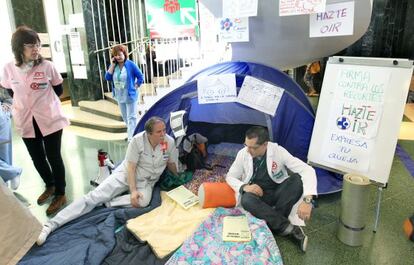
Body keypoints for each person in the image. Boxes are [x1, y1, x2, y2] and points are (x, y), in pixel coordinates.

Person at [36, 116, 178, 245]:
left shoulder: (169, 142)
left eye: (164, 130)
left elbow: (171, 164)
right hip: (126, 174)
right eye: (159, 132)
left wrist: (180, 174)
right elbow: (131, 167)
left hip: (147, 181)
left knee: (144, 202)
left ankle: (108, 202)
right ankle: (50, 225)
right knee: (93, 197)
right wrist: (133, 191)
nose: (163, 134)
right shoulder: (137, 141)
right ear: (149, 134)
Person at [0, 26, 69, 215]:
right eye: (30, 45)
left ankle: (61, 193)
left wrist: (43, 103)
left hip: (50, 119)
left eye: (37, 45)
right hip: (25, 120)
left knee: (54, 156)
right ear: (18, 48)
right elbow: (10, 91)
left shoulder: (48, 66)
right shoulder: (8, 69)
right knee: (37, 157)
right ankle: (50, 185)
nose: (36, 49)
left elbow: (58, 90)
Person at [226, 126, 317, 252]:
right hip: (259, 197)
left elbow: (307, 170)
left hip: (279, 193)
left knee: (296, 180)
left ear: (265, 144)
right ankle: (290, 229)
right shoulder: (243, 154)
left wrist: (307, 201)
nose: (248, 150)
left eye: (253, 147)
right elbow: (230, 176)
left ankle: (274, 221)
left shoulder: (278, 151)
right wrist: (245, 186)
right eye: (246, 145)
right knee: (247, 199)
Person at [105, 45, 144, 141]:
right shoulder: (114, 66)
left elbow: (140, 77)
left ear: (124, 54)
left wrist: (135, 86)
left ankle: (132, 138)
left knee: (132, 117)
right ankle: (133, 133)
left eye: (119, 54)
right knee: (125, 117)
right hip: (119, 95)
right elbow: (107, 77)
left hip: (130, 94)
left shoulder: (131, 64)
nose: (118, 57)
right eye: (115, 55)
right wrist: (112, 65)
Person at [0, 100, 22, 189]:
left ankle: (7, 178)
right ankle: (11, 174)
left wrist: (9, 104)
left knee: (4, 153)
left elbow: (9, 88)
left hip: (2, 118)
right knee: (4, 153)